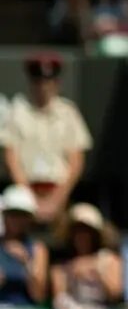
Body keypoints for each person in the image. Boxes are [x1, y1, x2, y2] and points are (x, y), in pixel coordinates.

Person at [1, 53, 92, 222]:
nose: (43, 87)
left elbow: (76, 161)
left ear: (57, 83)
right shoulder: (17, 110)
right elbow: (10, 158)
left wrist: (56, 199)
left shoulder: (68, 112)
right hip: (24, 196)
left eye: (48, 81)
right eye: (38, 81)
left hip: (59, 194)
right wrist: (28, 197)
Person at [51, 203, 122, 309]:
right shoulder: (60, 267)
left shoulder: (110, 260)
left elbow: (115, 294)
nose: (81, 236)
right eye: (77, 231)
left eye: (86, 231)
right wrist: (71, 274)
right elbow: (59, 300)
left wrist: (98, 274)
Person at [0, 185, 49, 306]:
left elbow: (39, 296)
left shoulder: (37, 248)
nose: (17, 220)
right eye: (13, 214)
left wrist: (27, 263)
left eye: (23, 215)